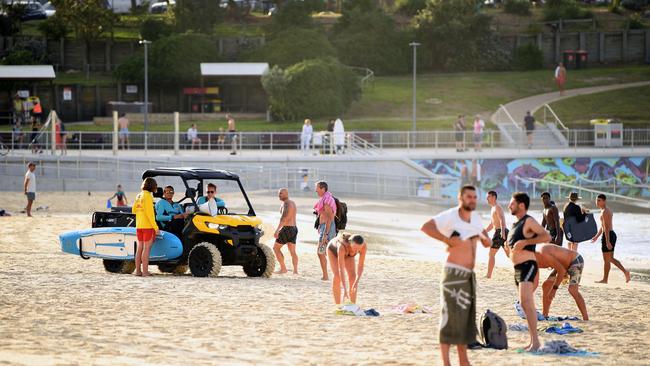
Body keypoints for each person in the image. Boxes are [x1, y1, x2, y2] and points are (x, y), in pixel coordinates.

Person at [420, 185, 491, 366]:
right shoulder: (451, 215)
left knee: (465, 319)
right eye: (469, 197)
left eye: (475, 197)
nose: (472, 200)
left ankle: (463, 361)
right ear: (460, 198)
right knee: (450, 317)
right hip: (453, 273)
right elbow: (426, 227)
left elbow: (485, 242)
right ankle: (446, 363)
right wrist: (446, 240)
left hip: (468, 275)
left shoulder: (475, 218)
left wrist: (486, 239)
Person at [507, 192, 551, 352]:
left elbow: (547, 236)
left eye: (512, 203)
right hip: (518, 268)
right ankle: (533, 341)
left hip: (527, 265)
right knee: (525, 305)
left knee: (528, 303)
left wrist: (526, 241)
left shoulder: (529, 221)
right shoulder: (515, 223)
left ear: (521, 205)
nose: (509, 206)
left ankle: (536, 343)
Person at [535, 244, 588, 320]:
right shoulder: (531, 260)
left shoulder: (544, 254)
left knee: (572, 290)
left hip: (575, 261)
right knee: (546, 285)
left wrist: (554, 290)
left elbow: (561, 271)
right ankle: (545, 315)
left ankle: (586, 318)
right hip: (562, 265)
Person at [591, 194, 630, 284]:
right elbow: (603, 226)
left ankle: (605, 279)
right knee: (610, 258)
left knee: (607, 259)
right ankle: (625, 272)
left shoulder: (605, 211)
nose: (597, 202)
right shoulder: (603, 210)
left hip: (608, 235)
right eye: (597, 200)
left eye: (599, 200)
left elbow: (607, 227)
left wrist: (607, 241)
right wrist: (597, 236)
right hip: (609, 234)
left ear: (604, 201)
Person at [327, 232, 367, 304]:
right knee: (337, 276)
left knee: (353, 277)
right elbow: (341, 269)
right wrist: (345, 290)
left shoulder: (363, 246)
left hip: (348, 254)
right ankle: (338, 305)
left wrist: (356, 282)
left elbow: (360, 265)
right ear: (350, 243)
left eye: (359, 249)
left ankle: (352, 305)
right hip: (333, 251)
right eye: (355, 248)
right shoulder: (342, 246)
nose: (357, 251)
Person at [132, 177, 159, 277]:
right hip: (147, 226)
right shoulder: (148, 196)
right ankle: (145, 272)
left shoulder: (139, 195)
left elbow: (134, 210)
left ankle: (138, 271)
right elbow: (150, 214)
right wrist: (156, 228)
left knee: (139, 248)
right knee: (146, 249)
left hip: (139, 225)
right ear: (152, 186)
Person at [314, 181, 337, 281]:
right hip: (325, 227)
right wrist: (320, 225)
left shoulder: (327, 200)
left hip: (328, 228)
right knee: (327, 252)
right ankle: (330, 275)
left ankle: (326, 276)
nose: (316, 190)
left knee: (321, 252)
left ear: (323, 189)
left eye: (317, 188)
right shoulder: (324, 199)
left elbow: (330, 217)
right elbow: (323, 215)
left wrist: (325, 234)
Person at [273, 188, 299, 274]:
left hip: (287, 228)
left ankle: (283, 268)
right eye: (279, 193)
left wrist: (277, 230)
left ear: (286, 194)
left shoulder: (287, 204)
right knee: (292, 252)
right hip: (294, 228)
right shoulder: (292, 203)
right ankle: (295, 271)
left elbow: (284, 218)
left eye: (281, 193)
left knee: (276, 248)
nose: (279, 195)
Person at [485, 190, 508, 279]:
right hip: (501, 232)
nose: (487, 198)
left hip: (500, 232)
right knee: (509, 254)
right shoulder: (493, 208)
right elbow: (492, 224)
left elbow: (502, 219)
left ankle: (488, 275)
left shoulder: (497, 207)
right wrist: (484, 231)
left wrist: (502, 232)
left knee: (491, 254)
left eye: (488, 197)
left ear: (494, 197)